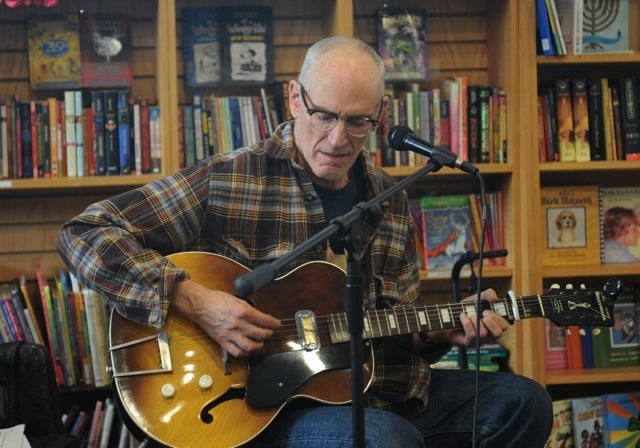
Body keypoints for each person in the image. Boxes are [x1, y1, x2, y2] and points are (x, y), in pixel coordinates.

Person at [57, 36, 552, 447]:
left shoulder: (392, 199)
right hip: (257, 403)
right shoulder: (230, 178)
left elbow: (390, 328)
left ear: (379, 114)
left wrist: (447, 331)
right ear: (294, 98)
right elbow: (84, 232)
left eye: (358, 122)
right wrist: (195, 299)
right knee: (385, 439)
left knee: (522, 402)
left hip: (371, 388)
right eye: (323, 115)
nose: (338, 140)